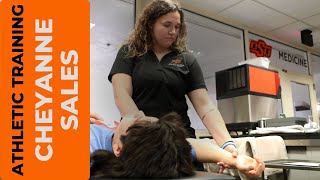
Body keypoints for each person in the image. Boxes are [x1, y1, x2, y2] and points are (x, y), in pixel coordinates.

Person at [107, 0, 237, 155]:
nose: (173, 31)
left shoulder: (186, 59)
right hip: (140, 139)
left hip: (179, 140)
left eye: (177, 27)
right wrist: (145, 127)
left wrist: (227, 144)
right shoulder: (129, 52)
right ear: (150, 24)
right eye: (167, 25)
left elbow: (205, 106)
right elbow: (121, 94)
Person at [90, 112, 265, 179]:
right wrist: (233, 160)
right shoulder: (156, 150)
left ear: (117, 148)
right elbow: (192, 145)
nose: (141, 113)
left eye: (138, 123)